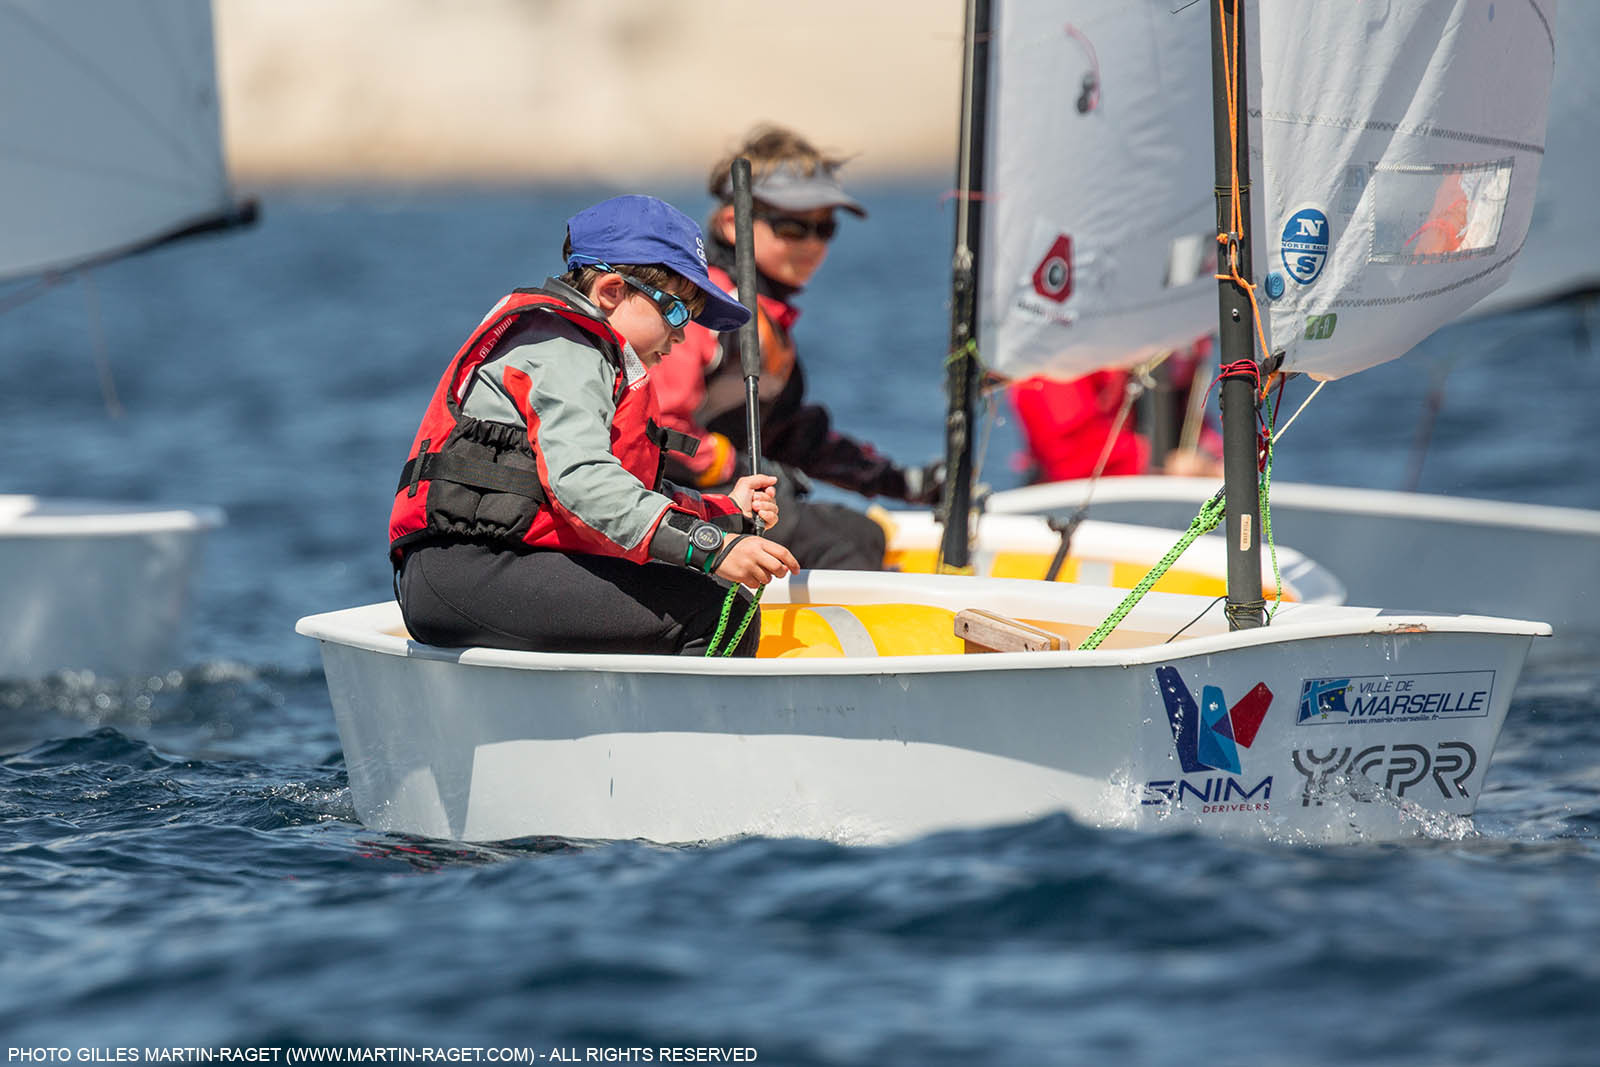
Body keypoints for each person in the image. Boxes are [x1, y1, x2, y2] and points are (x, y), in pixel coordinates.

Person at [389, 194, 799, 657]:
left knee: (692, 590)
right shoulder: (566, 350)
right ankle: (683, 731)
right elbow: (582, 484)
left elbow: (618, 494)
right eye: (677, 310)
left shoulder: (589, 356)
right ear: (610, 292)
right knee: (717, 610)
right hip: (470, 571)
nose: (683, 334)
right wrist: (712, 549)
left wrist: (724, 511)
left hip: (487, 568)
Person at [649, 124, 944, 571]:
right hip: (678, 509)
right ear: (732, 223)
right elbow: (659, 427)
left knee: (864, 533)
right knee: (845, 550)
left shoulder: (766, 315)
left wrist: (904, 481)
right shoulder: (701, 309)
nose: (811, 245)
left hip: (732, 498)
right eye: (792, 226)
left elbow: (792, 436)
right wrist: (738, 466)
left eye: (824, 228)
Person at [1011, 337, 1224, 484]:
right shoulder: (1057, 348)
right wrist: (1160, 464)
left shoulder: (1172, 348)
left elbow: (1189, 416)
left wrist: (1212, 466)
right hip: (1080, 507)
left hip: (1162, 497)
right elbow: (1067, 450)